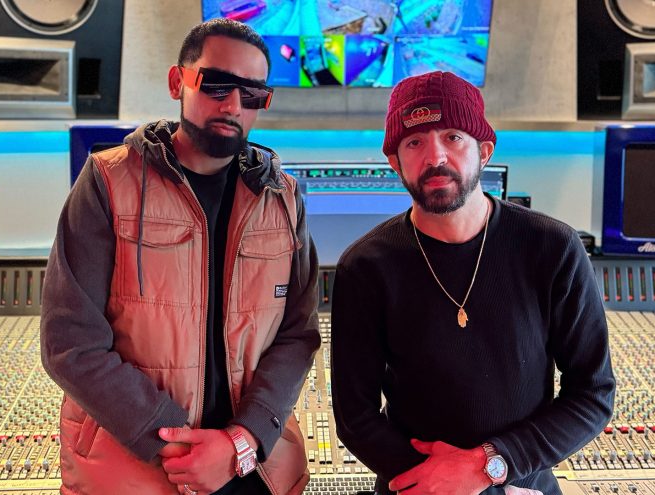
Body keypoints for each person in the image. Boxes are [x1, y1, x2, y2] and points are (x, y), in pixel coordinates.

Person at [41, 18, 320, 495]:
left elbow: (298, 334)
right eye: (216, 84)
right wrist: (176, 444)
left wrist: (240, 442)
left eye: (253, 94)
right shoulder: (106, 182)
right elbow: (71, 343)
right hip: (138, 465)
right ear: (178, 82)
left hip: (254, 466)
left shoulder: (285, 197)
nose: (233, 105)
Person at [330, 71, 615, 495]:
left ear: (484, 150)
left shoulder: (553, 247)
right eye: (414, 142)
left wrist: (489, 468)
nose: (435, 156)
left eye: (453, 137)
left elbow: (593, 393)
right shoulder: (364, 266)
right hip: (416, 487)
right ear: (395, 162)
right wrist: (433, 483)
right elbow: (355, 417)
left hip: (523, 485)